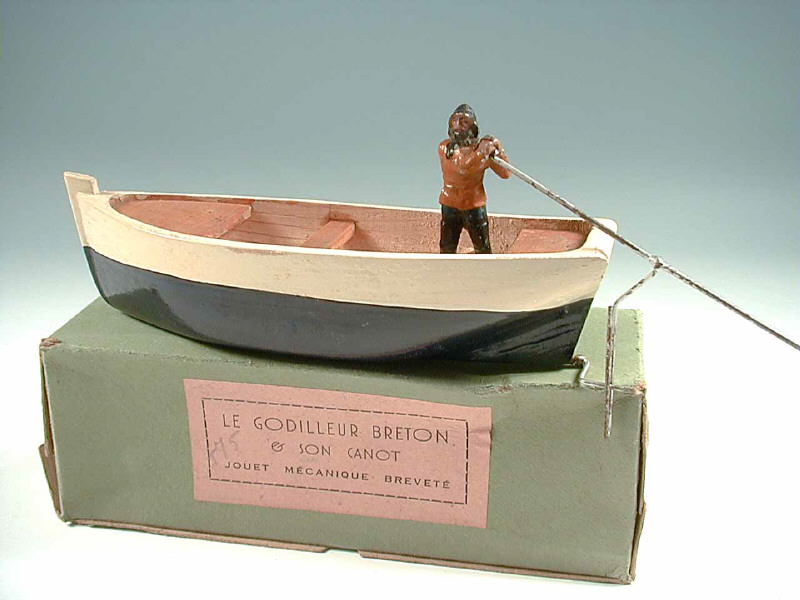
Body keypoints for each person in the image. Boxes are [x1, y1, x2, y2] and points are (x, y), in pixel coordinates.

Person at [438, 104, 510, 254]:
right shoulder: (445, 148)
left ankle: (483, 267)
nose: (458, 125)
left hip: (474, 207)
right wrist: (482, 151)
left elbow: (505, 173)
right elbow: (463, 168)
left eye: (464, 122)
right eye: (454, 121)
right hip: (450, 206)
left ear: (473, 127)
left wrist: (498, 148)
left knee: (483, 249)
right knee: (447, 249)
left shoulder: (483, 152)